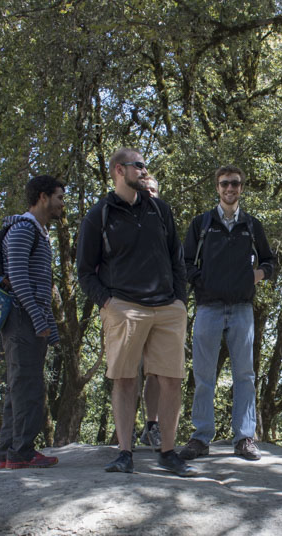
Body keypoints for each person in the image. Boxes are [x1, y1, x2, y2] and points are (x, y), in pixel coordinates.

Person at [76, 148, 195, 477]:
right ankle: (125, 453)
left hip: (166, 308)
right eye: (139, 166)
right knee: (125, 380)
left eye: (145, 167)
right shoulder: (98, 215)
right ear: (119, 170)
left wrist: (179, 301)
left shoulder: (160, 209)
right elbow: (84, 270)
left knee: (172, 380)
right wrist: (108, 304)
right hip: (124, 307)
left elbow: (177, 258)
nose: (145, 172)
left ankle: (169, 453)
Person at [178, 166, 276, 461]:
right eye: (224, 184)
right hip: (208, 307)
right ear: (217, 187)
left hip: (242, 309)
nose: (230, 188)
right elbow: (184, 263)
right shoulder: (201, 223)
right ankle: (200, 437)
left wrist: (256, 275)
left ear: (241, 188)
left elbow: (271, 261)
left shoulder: (251, 225)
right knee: (203, 375)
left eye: (235, 183)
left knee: (244, 375)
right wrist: (202, 282)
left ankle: (244, 438)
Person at [0, 175, 64, 470]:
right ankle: (21, 452)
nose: (63, 204)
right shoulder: (24, 230)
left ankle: (7, 452)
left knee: (18, 386)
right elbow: (20, 279)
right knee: (28, 387)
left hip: (28, 319)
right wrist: (38, 319)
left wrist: (51, 330)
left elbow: (41, 284)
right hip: (22, 319)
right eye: (59, 197)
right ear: (42, 197)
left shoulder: (36, 231)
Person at [136, 174, 162, 449]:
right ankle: (125, 430)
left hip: (160, 307)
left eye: (153, 190)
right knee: (127, 372)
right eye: (145, 190)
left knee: (156, 371)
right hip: (126, 307)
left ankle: (151, 427)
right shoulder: (119, 218)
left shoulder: (165, 222)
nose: (150, 194)